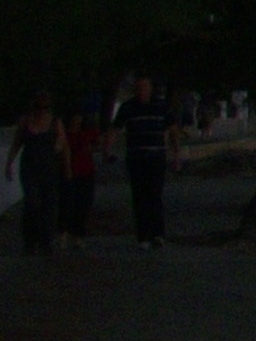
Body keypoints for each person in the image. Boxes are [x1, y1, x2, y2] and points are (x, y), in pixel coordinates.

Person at [111, 75, 171, 247]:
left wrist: (175, 152)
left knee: (155, 194)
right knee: (140, 196)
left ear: (151, 89)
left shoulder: (161, 106)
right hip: (136, 158)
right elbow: (115, 128)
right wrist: (108, 149)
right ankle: (144, 236)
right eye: (138, 88)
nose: (141, 91)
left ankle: (158, 233)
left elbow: (172, 128)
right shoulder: (128, 107)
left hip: (156, 157)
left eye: (144, 87)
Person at [12, 95, 60, 255]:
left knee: (48, 205)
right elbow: (17, 142)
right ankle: (30, 241)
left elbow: (62, 143)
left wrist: (61, 159)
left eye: (45, 107)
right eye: (39, 107)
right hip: (29, 168)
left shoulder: (54, 122)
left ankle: (46, 241)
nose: (42, 111)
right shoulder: (25, 122)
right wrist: (9, 163)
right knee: (32, 203)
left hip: (48, 169)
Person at [58, 100, 101, 238]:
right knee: (69, 203)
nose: (77, 120)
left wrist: (92, 147)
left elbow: (97, 143)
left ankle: (78, 232)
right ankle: (66, 230)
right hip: (70, 170)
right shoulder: (65, 133)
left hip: (86, 170)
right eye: (75, 117)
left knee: (84, 203)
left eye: (79, 117)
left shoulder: (86, 131)